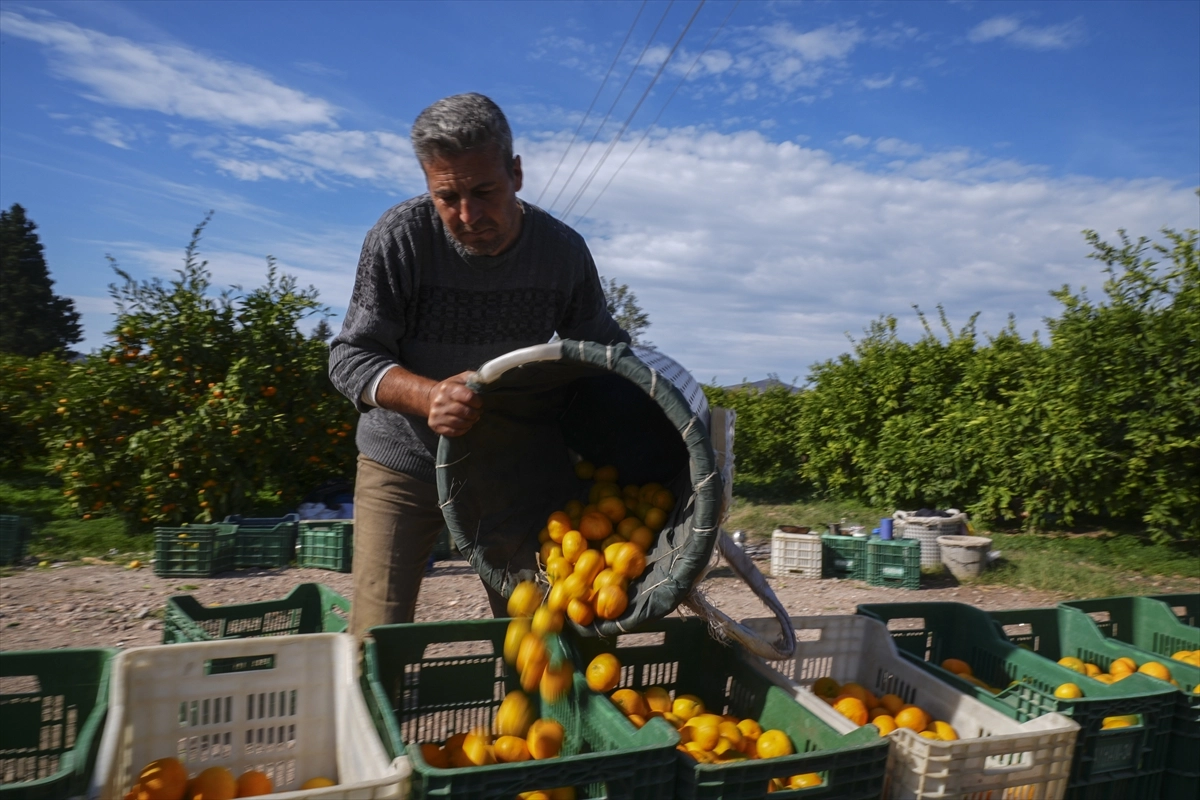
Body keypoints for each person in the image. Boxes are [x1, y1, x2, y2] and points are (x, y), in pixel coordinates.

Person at [329, 93, 630, 636]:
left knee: (538, 633)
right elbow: (350, 356)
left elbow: (606, 352)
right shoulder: (401, 239)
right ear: (429, 186)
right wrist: (428, 396)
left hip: (511, 468)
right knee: (376, 638)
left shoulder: (561, 252)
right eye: (448, 197)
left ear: (516, 174)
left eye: (484, 191)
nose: (467, 216)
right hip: (403, 464)